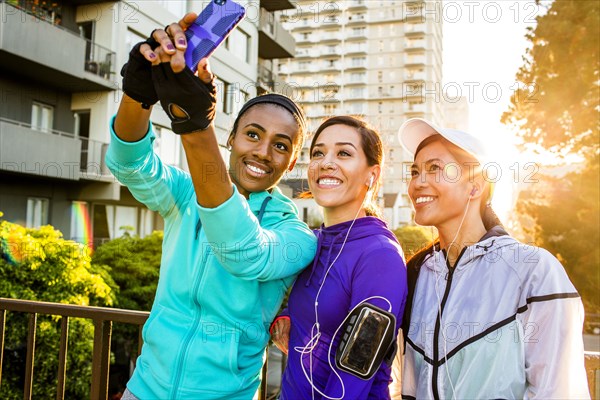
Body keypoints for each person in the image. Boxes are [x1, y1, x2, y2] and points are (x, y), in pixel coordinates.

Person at [106, 13, 317, 399]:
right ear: (232, 138)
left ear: (292, 161)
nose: (263, 152)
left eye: (281, 145)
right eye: (253, 134)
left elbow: (243, 251)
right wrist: (137, 94)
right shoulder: (185, 195)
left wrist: (193, 126)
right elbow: (128, 164)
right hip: (143, 389)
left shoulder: (297, 237)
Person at [398, 118, 590, 399]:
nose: (418, 183)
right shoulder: (415, 274)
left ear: (475, 187)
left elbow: (558, 390)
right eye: (415, 172)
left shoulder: (533, 270)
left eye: (434, 169)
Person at [271, 116, 408, 399]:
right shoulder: (314, 243)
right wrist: (286, 317)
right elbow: (321, 310)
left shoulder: (380, 255)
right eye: (318, 153)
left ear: (373, 175)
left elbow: (356, 370)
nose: (326, 162)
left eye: (344, 153)